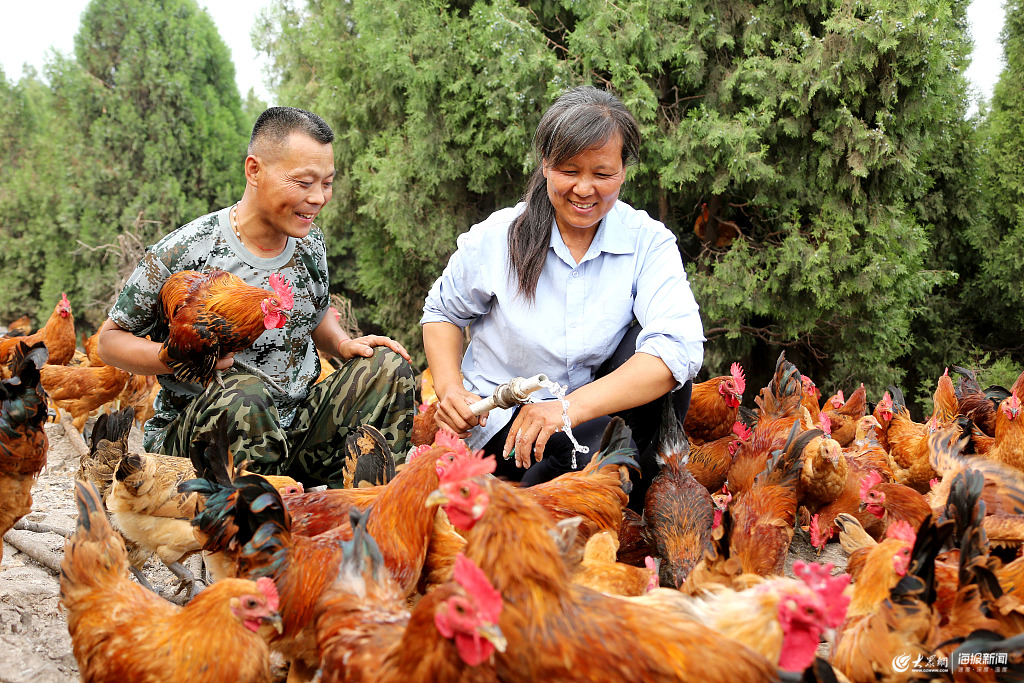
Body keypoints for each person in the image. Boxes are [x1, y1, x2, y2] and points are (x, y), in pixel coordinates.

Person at [97, 106, 415, 487]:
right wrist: (172, 358)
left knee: (387, 367)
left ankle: (356, 511)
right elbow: (108, 342)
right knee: (245, 395)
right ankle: (250, 526)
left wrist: (342, 343)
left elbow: (314, 313)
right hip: (205, 436)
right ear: (254, 170)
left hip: (294, 426)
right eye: (303, 182)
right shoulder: (185, 250)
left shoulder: (309, 241)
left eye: (327, 183)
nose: (318, 198)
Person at [421, 86, 705, 507]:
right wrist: (450, 389)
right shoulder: (498, 237)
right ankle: (543, 492)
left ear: (624, 170)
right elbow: (442, 311)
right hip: (504, 425)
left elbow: (680, 347)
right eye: (569, 171)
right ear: (545, 166)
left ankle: (583, 485)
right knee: (594, 459)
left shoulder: (647, 242)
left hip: (583, 413)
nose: (584, 189)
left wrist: (567, 409)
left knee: (661, 367)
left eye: (603, 174)